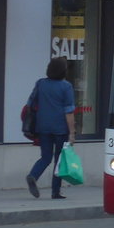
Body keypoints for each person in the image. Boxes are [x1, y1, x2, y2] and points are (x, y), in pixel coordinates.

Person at [25, 57, 76, 200]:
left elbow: (30, 103)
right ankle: (55, 192)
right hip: (60, 128)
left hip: (43, 126)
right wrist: (72, 133)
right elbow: (69, 111)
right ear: (64, 71)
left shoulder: (41, 84)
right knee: (59, 160)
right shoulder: (66, 87)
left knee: (46, 157)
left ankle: (33, 175)